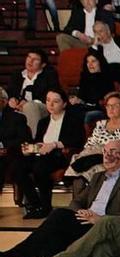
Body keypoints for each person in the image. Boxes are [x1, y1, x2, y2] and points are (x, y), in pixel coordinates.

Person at [16, 88, 86, 219]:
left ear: (64, 104)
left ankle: (45, 206)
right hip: (41, 155)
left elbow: (77, 140)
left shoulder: (73, 120)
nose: (51, 105)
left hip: (61, 155)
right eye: (48, 101)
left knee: (40, 167)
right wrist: (31, 148)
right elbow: (37, 141)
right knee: (18, 167)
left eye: (55, 101)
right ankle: (35, 204)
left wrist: (55, 144)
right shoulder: (43, 122)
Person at [66, 92, 120, 185]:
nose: (110, 108)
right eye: (108, 105)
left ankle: (72, 176)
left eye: (115, 106)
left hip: (113, 159)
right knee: (82, 159)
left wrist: (101, 152)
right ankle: (79, 184)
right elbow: (90, 144)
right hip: (93, 155)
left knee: (94, 169)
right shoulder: (101, 123)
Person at [5, 49, 61, 136]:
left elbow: (52, 95)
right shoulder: (17, 74)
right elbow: (10, 92)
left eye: (35, 59)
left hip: (41, 106)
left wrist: (28, 103)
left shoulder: (49, 75)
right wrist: (11, 100)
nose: (30, 61)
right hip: (18, 107)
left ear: (43, 64)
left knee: (30, 106)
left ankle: (34, 143)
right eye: (29, 57)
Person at [0, 89, 32, 199]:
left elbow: (24, 140)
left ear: (4, 102)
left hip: (10, 154)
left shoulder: (17, 118)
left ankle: (33, 203)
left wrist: (5, 148)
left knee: (16, 167)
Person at [69, 51, 117, 124]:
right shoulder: (85, 77)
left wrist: (84, 102)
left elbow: (103, 101)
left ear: (100, 62)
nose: (90, 64)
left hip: (101, 109)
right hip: (85, 107)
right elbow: (82, 96)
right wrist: (78, 100)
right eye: (88, 62)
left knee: (87, 115)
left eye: (93, 61)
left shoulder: (107, 78)